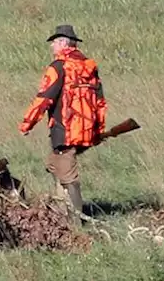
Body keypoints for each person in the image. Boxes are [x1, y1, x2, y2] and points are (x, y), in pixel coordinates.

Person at [19, 24, 107, 222]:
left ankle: (76, 222)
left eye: (54, 43)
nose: (52, 47)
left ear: (62, 43)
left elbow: (44, 97)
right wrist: (98, 131)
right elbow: (100, 101)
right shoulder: (89, 66)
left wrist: (27, 123)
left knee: (69, 176)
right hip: (86, 130)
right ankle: (61, 209)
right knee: (53, 163)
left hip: (65, 130)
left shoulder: (58, 67)